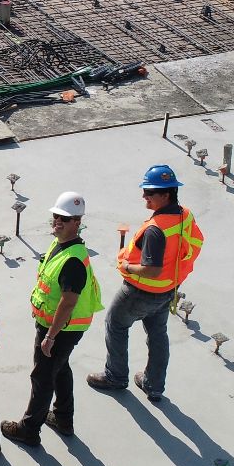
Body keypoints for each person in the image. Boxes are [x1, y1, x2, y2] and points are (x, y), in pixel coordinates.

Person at [89, 164, 206, 403]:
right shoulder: (184, 215)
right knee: (157, 334)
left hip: (141, 291)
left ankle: (116, 376)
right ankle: (154, 385)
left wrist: (126, 267)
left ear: (166, 195)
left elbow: (151, 270)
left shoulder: (155, 230)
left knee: (116, 324)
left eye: (149, 192)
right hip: (168, 289)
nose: (144, 196)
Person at [2, 192, 103, 446]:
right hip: (58, 327)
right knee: (60, 369)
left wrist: (50, 336)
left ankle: (28, 429)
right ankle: (63, 418)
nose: (58, 222)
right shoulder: (60, 245)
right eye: (56, 217)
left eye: (65, 219)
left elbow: (68, 302)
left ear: (77, 223)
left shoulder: (72, 261)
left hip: (60, 329)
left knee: (42, 376)